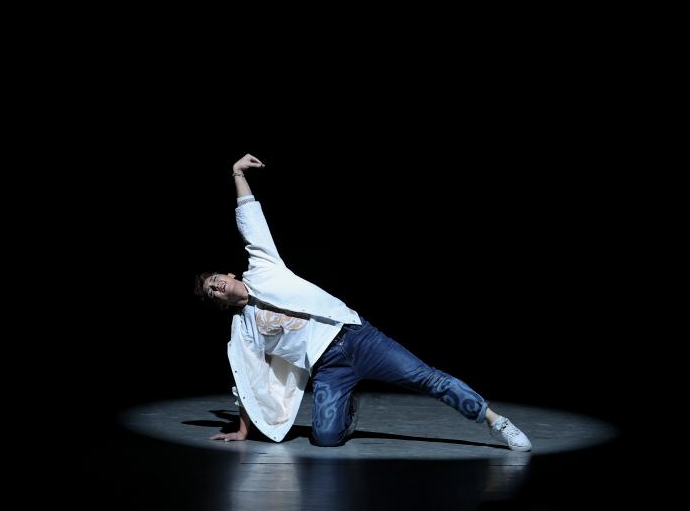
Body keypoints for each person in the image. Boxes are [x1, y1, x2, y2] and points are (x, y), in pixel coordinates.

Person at [194, 153, 531, 451]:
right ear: (221, 304)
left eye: (215, 280)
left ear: (229, 274)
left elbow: (251, 222)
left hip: (357, 337)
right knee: (325, 439)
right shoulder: (244, 330)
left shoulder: (263, 267)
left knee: (427, 379)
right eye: (212, 292)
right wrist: (242, 430)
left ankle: (497, 423)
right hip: (328, 368)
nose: (217, 286)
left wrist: (237, 173)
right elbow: (248, 379)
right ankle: (348, 407)